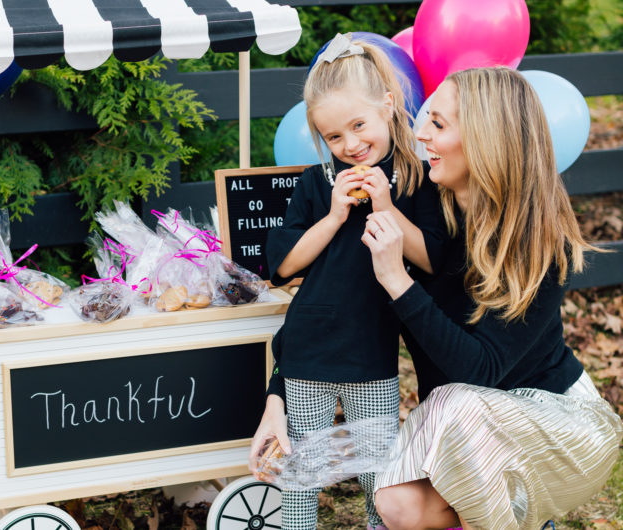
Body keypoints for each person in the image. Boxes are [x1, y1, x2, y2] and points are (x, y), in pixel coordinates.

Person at [362, 67, 623, 530]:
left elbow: (478, 373)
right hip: (463, 433)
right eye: (426, 118)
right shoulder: (416, 199)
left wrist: (397, 281)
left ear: (486, 139)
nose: (421, 134)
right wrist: (279, 395)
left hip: (556, 424)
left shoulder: (539, 244)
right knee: (399, 505)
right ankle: (516, 516)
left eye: (439, 125)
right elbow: (326, 299)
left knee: (451, 401)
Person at [248, 33, 447, 530]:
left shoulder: (417, 178)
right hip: (308, 349)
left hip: (373, 350)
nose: (351, 145)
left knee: (377, 473)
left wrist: (386, 207)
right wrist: (335, 215)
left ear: (388, 105)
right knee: (302, 472)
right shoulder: (318, 182)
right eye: (334, 137)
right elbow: (284, 265)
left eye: (359, 126)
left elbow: (431, 260)